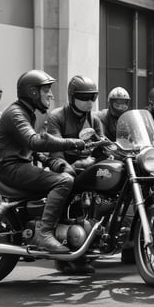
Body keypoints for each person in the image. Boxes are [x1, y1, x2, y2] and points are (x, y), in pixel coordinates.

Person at [0, 70, 86, 253]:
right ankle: (44, 234)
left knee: (73, 177)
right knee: (64, 181)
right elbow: (34, 141)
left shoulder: (28, 113)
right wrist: (71, 143)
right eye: (46, 90)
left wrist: (55, 163)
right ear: (33, 92)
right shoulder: (16, 113)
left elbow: (31, 149)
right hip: (10, 167)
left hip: (19, 164)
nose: (50, 94)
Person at [47, 75, 104, 273]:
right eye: (85, 97)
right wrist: (70, 165)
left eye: (93, 97)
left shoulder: (94, 120)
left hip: (88, 167)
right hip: (64, 165)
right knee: (67, 182)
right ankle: (61, 247)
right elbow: (55, 151)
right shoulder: (57, 116)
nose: (90, 102)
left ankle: (96, 236)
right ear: (72, 97)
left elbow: (102, 147)